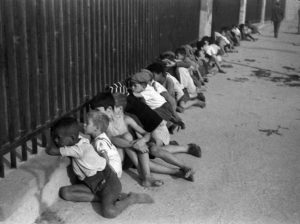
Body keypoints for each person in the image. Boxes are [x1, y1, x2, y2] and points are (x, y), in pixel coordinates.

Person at [46, 117, 153, 218]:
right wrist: (59, 136)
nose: (55, 140)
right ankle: (106, 198)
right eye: (55, 138)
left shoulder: (78, 149)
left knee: (109, 212)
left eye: (58, 137)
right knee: (65, 192)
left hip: (108, 182)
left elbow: (50, 150)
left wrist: (50, 137)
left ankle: (131, 199)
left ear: (73, 138)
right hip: (92, 184)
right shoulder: (79, 140)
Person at [85, 110, 122, 178]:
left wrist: (112, 176)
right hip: (117, 169)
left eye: (87, 123)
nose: (84, 125)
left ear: (96, 128)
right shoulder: (103, 136)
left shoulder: (99, 142)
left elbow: (106, 159)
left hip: (112, 172)